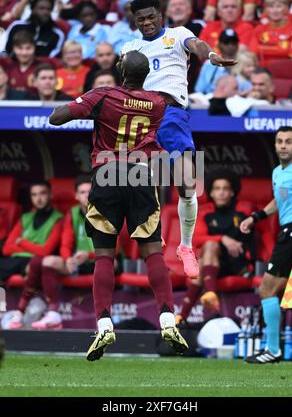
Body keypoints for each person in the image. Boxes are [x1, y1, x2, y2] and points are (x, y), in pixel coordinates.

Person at [49, 50, 189, 360]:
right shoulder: (156, 102)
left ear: (121, 70)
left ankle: (103, 324)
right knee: (153, 250)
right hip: (142, 174)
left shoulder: (103, 94)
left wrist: (82, 104)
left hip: (108, 174)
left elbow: (56, 117)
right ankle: (167, 317)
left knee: (103, 255)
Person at [122, 0, 236, 279]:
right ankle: (152, 231)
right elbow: (124, 83)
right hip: (141, 113)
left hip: (172, 113)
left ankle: (185, 247)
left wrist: (209, 55)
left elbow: (196, 45)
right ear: (134, 23)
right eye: (141, 20)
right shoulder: (129, 47)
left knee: (187, 181)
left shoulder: (178, 34)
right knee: (135, 178)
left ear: (160, 16)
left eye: (151, 17)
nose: (147, 23)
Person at [240, 126, 292, 363]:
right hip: (287, 232)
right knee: (285, 293)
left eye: (288, 141)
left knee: (268, 289)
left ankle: (273, 349)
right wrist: (256, 217)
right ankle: (273, 349)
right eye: (279, 141)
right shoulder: (277, 173)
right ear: (275, 145)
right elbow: (279, 200)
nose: (283, 145)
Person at [6, 175, 94, 330]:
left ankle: (21, 312)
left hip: (102, 259)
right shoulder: (72, 213)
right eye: (82, 192)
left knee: (107, 262)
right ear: (76, 195)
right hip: (78, 261)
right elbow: (66, 243)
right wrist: (67, 259)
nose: (86, 195)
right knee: (44, 260)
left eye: (90, 191)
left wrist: (89, 255)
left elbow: (114, 247)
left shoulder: (107, 213)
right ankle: (50, 313)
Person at [177, 169, 254, 321]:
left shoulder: (244, 210)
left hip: (237, 263)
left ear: (232, 192)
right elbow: (196, 239)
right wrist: (223, 238)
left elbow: (253, 237)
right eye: (217, 189)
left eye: (225, 189)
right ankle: (208, 295)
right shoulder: (205, 213)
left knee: (202, 262)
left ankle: (182, 315)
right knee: (210, 246)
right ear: (211, 193)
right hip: (212, 265)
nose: (221, 193)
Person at [0, 181, 63, 286]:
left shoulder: (58, 219)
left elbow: (45, 251)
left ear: (50, 195)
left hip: (33, 261)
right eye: (34, 194)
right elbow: (6, 249)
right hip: (14, 260)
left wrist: (22, 242)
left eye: (42, 193)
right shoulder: (26, 217)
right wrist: (34, 248)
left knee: (33, 265)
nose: (38, 199)